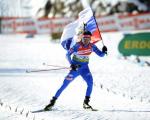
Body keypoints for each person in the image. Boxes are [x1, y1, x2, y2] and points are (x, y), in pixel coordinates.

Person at [44, 31, 107, 110]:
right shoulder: (77, 45)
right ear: (82, 38)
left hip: (85, 69)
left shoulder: (92, 46)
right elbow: (67, 55)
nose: (86, 40)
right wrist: (72, 64)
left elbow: (101, 55)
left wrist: (104, 51)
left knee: (90, 82)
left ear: (90, 39)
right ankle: (52, 102)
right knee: (64, 84)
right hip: (75, 69)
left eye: (88, 39)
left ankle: (86, 103)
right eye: (84, 38)